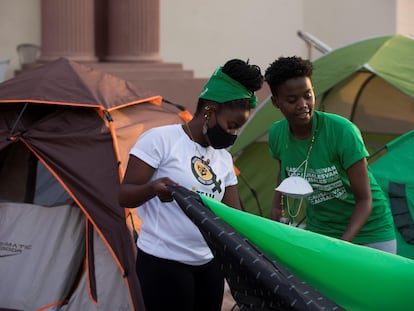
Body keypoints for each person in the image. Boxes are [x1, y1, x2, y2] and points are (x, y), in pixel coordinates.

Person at [119, 59, 263, 311]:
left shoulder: (223, 159)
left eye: (238, 129)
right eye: (231, 125)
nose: (233, 135)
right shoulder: (161, 140)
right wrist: (153, 189)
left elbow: (233, 216)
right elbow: (124, 195)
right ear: (209, 110)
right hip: (163, 264)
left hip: (209, 266)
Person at [264, 56, 396, 254]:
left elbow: (365, 200)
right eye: (292, 100)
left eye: (308, 95)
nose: (302, 104)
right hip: (321, 231)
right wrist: (277, 206)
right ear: (276, 102)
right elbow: (283, 171)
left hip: (370, 234)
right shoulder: (277, 134)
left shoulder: (342, 132)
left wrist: (341, 245)